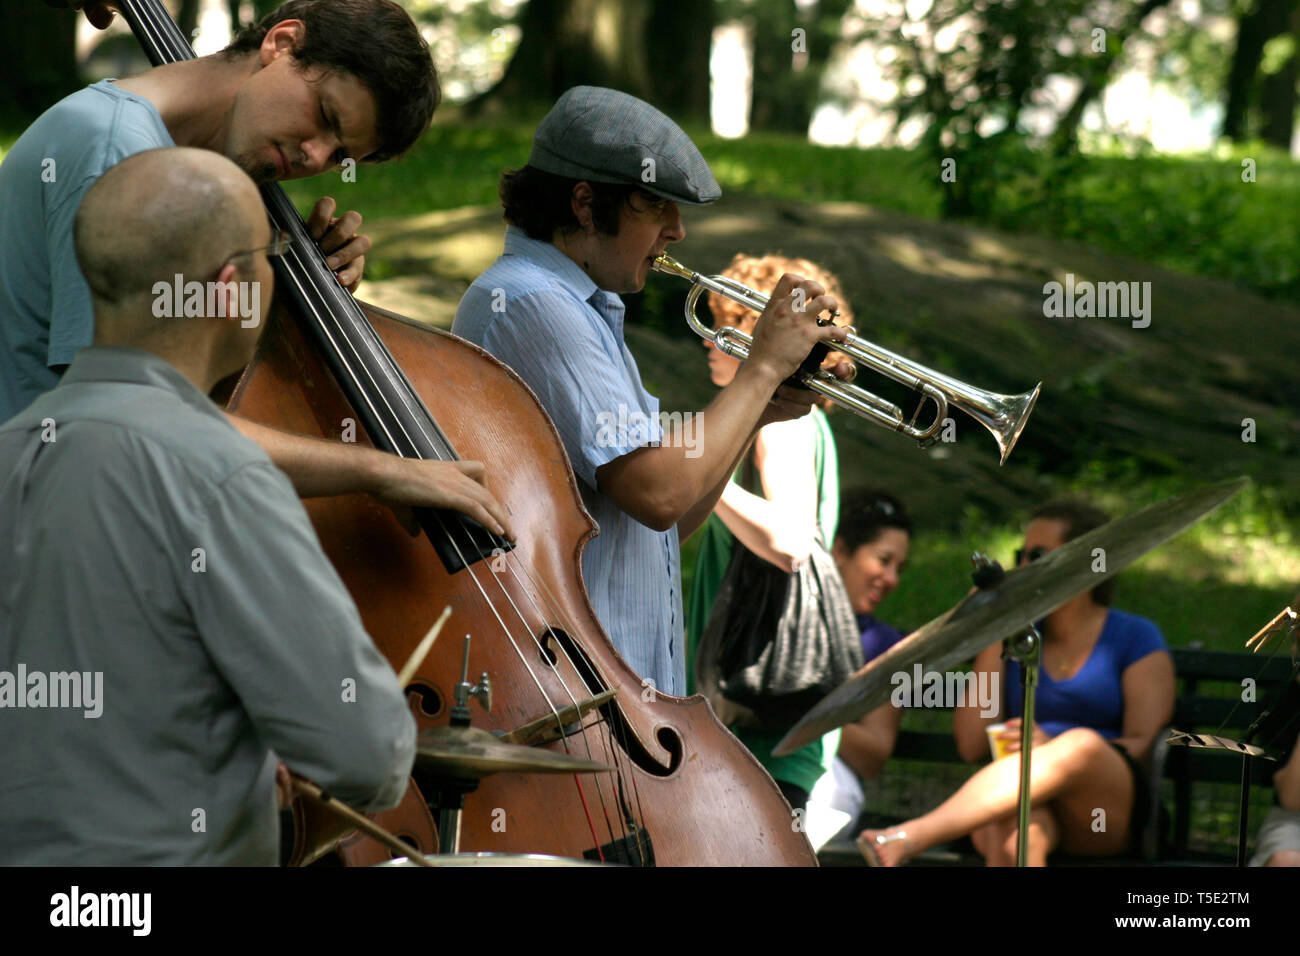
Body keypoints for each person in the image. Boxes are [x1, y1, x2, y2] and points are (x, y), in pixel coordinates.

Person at [0, 147, 417, 866]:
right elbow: (367, 753)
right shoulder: (220, 473)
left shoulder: (11, 448)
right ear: (229, 289)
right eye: (269, 257)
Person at [0, 0, 508, 536]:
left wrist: (284, 301)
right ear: (282, 43)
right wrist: (380, 468)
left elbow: (191, 387)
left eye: (340, 156)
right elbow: (129, 416)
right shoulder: (117, 155)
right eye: (326, 118)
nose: (315, 157)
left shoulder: (183, 179)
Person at [453, 87, 849, 699]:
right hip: (573, 696)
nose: (677, 230)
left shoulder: (586, 309)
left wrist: (758, 412)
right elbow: (659, 494)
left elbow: (665, 526)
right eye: (656, 206)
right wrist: (760, 370)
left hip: (614, 699)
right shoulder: (535, 303)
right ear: (585, 204)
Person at [859, 499, 1175, 866]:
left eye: (1037, 555)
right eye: (1019, 554)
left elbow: (1142, 746)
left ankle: (912, 836)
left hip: (1104, 809)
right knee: (1015, 840)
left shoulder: (1136, 637)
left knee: (1081, 745)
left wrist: (1052, 748)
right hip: (1020, 798)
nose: (1022, 567)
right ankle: (903, 840)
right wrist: (996, 628)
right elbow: (971, 744)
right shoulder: (1018, 638)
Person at [685, 253, 856, 813]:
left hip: (756, 735)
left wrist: (699, 471)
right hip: (767, 730)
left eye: (728, 324)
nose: (711, 337)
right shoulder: (807, 424)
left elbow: (788, 542)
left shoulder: (781, 426)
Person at [804, 489, 912, 839]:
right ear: (841, 551)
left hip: (827, 782)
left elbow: (874, 753)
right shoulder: (789, 618)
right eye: (884, 560)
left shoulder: (887, 646)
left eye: (899, 568)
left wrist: (798, 709)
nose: (892, 578)